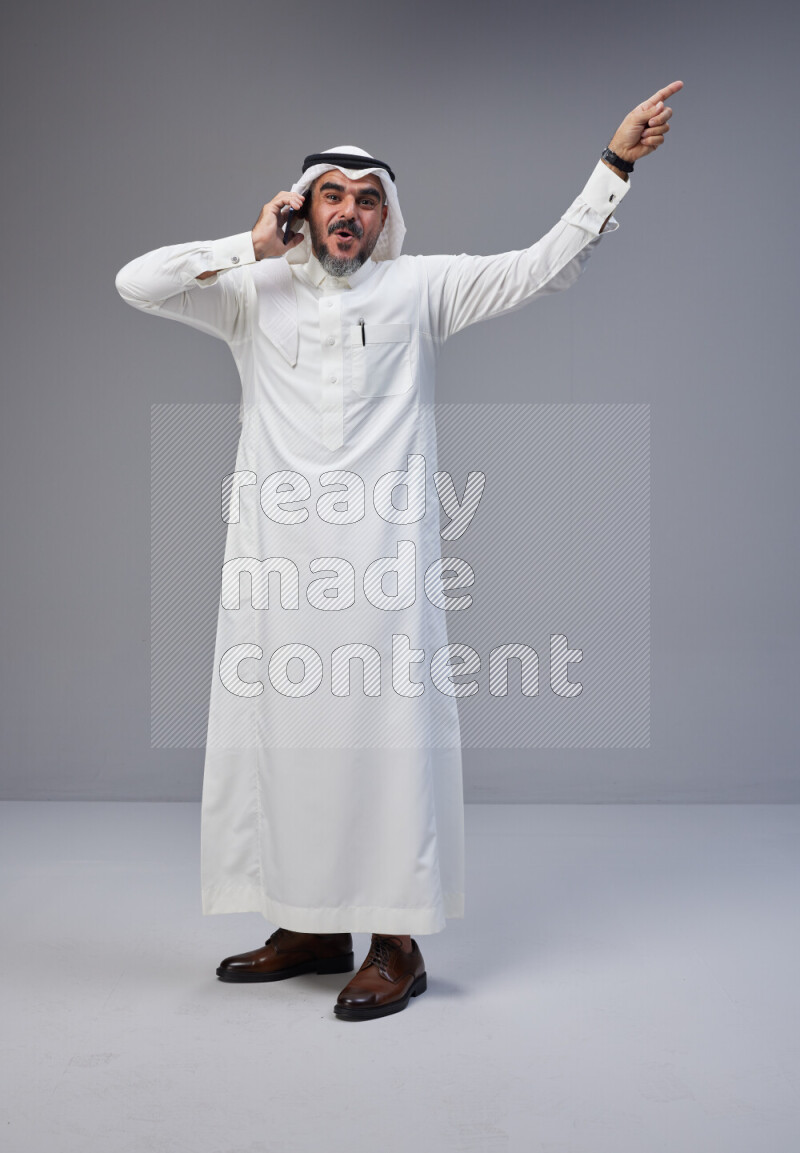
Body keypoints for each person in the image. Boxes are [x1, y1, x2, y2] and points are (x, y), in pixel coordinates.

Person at [115, 81, 682, 1022]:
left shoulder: (424, 287)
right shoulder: (251, 293)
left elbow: (542, 263)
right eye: (330, 195)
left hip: (383, 566)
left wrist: (613, 165)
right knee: (287, 742)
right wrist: (247, 246)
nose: (349, 212)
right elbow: (135, 282)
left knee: (384, 747)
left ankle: (396, 942)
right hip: (277, 566)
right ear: (303, 206)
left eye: (366, 198)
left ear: (387, 215)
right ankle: (309, 924)